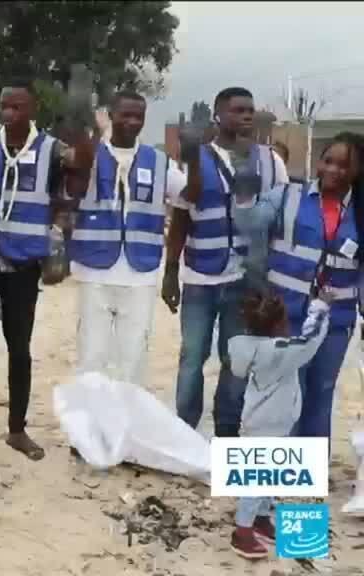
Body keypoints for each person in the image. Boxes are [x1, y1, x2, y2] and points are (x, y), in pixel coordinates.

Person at [0, 79, 93, 463]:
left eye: (16, 107)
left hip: (22, 264)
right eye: (4, 106)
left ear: (32, 111)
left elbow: (82, 163)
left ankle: (17, 429)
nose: (8, 113)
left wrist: (82, 119)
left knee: (20, 349)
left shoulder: (50, 148)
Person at [163, 86, 289, 437]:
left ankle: (227, 429)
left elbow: (281, 216)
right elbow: (181, 217)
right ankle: (185, 428)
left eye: (250, 110)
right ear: (218, 115)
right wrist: (170, 272)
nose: (246, 116)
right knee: (192, 356)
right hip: (200, 277)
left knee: (236, 358)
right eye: (238, 110)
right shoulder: (195, 158)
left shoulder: (271, 161)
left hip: (246, 280)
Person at [233, 134, 361, 441]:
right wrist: (244, 195)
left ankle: (314, 461)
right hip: (286, 315)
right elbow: (250, 223)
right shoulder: (288, 195)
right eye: (328, 161)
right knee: (290, 391)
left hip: (335, 320)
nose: (332, 170)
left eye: (344, 165)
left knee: (322, 391)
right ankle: (288, 459)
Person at [68, 91, 189, 387]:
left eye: (139, 116)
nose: (133, 121)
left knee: (133, 360)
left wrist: (194, 158)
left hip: (140, 272)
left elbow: (188, 198)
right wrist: (93, 133)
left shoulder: (158, 161)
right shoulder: (92, 154)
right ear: (111, 115)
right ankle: (90, 418)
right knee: (91, 357)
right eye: (126, 115)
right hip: (94, 270)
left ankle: (126, 417)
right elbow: (74, 187)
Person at [227, 291, 329, 559]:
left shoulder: (246, 347)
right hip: (272, 424)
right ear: (277, 325)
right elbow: (311, 339)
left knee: (269, 476)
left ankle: (261, 518)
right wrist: (320, 307)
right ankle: (242, 531)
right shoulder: (284, 352)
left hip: (259, 421)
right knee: (256, 482)